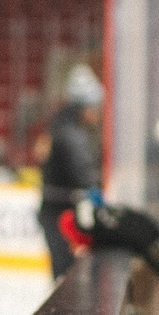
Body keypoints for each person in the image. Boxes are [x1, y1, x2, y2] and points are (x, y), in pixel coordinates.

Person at [38, 62, 105, 275]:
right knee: (65, 271)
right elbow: (83, 177)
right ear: (84, 106)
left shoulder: (63, 127)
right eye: (95, 107)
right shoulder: (70, 135)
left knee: (64, 269)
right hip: (60, 213)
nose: (97, 113)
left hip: (56, 210)